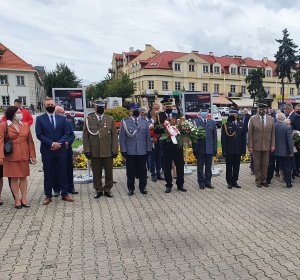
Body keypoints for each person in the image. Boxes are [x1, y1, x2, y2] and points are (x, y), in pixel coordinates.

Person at [35, 97, 74, 205]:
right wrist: (51, 144)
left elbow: (66, 133)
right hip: (47, 151)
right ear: (44, 106)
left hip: (60, 150)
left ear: (54, 104)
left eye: (51, 104)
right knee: (48, 173)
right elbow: (39, 134)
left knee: (63, 172)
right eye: (48, 105)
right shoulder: (40, 119)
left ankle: (64, 194)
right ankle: (48, 195)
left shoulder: (62, 119)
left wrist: (58, 144)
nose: (50, 106)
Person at [0, 106, 36, 208]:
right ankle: (17, 200)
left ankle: (24, 198)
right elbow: (0, 141)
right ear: (12, 114)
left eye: (21, 112)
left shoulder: (25, 125)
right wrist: (0, 156)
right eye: (18, 112)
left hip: (24, 156)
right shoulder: (4, 125)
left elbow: (30, 141)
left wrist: (32, 155)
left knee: (24, 177)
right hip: (11, 156)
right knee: (14, 178)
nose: (21, 114)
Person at [83, 100, 118, 198]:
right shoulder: (89, 119)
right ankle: (98, 189)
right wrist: (87, 150)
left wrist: (115, 149)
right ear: (94, 107)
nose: (100, 109)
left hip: (108, 151)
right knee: (96, 172)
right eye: (98, 107)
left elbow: (114, 136)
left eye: (102, 107)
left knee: (109, 172)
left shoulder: (110, 119)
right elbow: (85, 136)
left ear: (104, 108)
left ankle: (107, 189)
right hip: (94, 151)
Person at [154, 98, 186, 193]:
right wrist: (166, 129)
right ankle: (168, 185)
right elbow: (156, 130)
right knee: (167, 166)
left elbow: (183, 128)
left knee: (180, 166)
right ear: (164, 107)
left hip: (177, 145)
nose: (169, 108)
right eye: (167, 106)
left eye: (170, 106)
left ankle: (180, 185)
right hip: (166, 145)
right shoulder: (160, 116)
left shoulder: (177, 115)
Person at [119, 103, 152, 195]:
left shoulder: (144, 121)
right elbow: (122, 138)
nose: (135, 111)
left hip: (142, 150)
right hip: (130, 151)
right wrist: (123, 150)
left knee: (143, 170)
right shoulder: (125, 122)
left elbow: (148, 137)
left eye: (137, 109)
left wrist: (149, 149)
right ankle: (131, 188)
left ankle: (143, 187)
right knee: (130, 171)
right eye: (133, 110)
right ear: (130, 111)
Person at [248, 103, 275, 188]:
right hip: (256, 145)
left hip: (267, 145)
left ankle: (264, 180)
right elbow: (250, 134)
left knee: (265, 164)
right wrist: (250, 146)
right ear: (257, 109)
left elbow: (273, 134)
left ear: (266, 110)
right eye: (260, 109)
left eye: (263, 109)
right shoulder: (252, 119)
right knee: (257, 164)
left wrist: (273, 145)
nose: (261, 110)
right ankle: (258, 180)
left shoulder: (271, 119)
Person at [54, 106, 78, 195]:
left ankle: (70, 187)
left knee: (68, 169)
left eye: (64, 112)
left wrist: (68, 142)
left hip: (66, 150)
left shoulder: (68, 122)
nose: (63, 114)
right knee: (56, 170)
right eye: (61, 112)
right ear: (56, 113)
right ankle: (56, 189)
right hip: (55, 150)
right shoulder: (52, 123)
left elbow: (72, 135)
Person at [192, 108, 217, 189]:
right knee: (200, 167)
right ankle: (201, 182)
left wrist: (215, 148)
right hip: (199, 148)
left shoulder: (212, 122)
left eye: (205, 111)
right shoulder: (196, 122)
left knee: (208, 167)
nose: (204, 113)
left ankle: (208, 182)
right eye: (202, 111)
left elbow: (215, 137)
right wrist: (194, 149)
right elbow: (194, 137)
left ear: (208, 113)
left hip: (209, 148)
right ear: (200, 112)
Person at [221, 110, 246, 189]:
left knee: (236, 166)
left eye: (236, 114)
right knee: (229, 166)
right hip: (229, 150)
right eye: (233, 115)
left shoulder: (241, 124)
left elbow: (243, 138)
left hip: (238, 150)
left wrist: (243, 150)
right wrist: (224, 150)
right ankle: (229, 182)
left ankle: (235, 181)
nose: (235, 116)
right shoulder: (225, 125)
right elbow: (223, 139)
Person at [273, 112, 294, 188]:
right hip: (285, 151)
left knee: (278, 166)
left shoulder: (274, 126)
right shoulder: (287, 127)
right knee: (287, 167)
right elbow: (289, 141)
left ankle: (268, 180)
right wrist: (291, 151)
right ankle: (288, 183)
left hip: (275, 150)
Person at [149, 104, 164, 182]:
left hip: (159, 140)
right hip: (152, 141)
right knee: (152, 158)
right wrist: (152, 136)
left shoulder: (161, 118)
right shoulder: (148, 119)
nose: (156, 110)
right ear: (152, 109)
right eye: (155, 108)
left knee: (159, 157)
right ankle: (153, 174)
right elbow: (147, 129)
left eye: (158, 108)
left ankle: (158, 173)